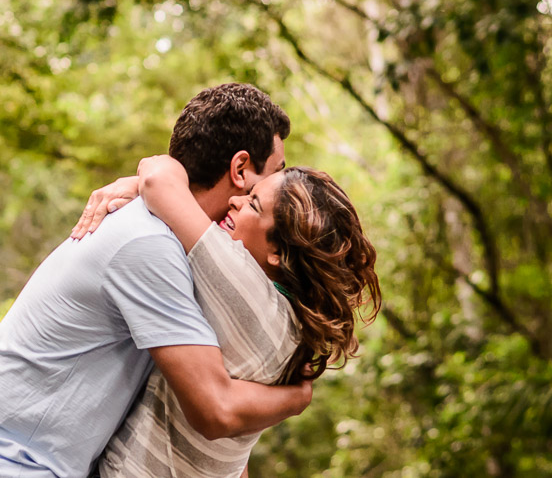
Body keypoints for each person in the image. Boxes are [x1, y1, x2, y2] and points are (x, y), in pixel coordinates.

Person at [0, 84, 308, 478]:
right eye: (274, 174)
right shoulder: (149, 246)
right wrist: (296, 397)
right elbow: (216, 408)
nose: (276, 189)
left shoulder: (172, 243)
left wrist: (146, 181)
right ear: (240, 169)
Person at [77, 155, 382, 478]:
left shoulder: (245, 284)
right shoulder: (295, 327)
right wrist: (296, 399)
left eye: (253, 204)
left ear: (277, 252)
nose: (235, 201)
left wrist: (134, 183)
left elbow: (158, 179)